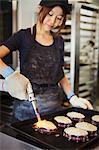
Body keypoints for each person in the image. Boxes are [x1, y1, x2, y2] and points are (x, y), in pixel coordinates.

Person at [0, 0, 93, 122]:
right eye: (50, 14)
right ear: (40, 9)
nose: (53, 21)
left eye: (59, 18)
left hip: (54, 108)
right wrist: (9, 74)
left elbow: (59, 73)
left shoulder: (59, 41)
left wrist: (72, 97)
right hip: (25, 109)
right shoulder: (23, 36)